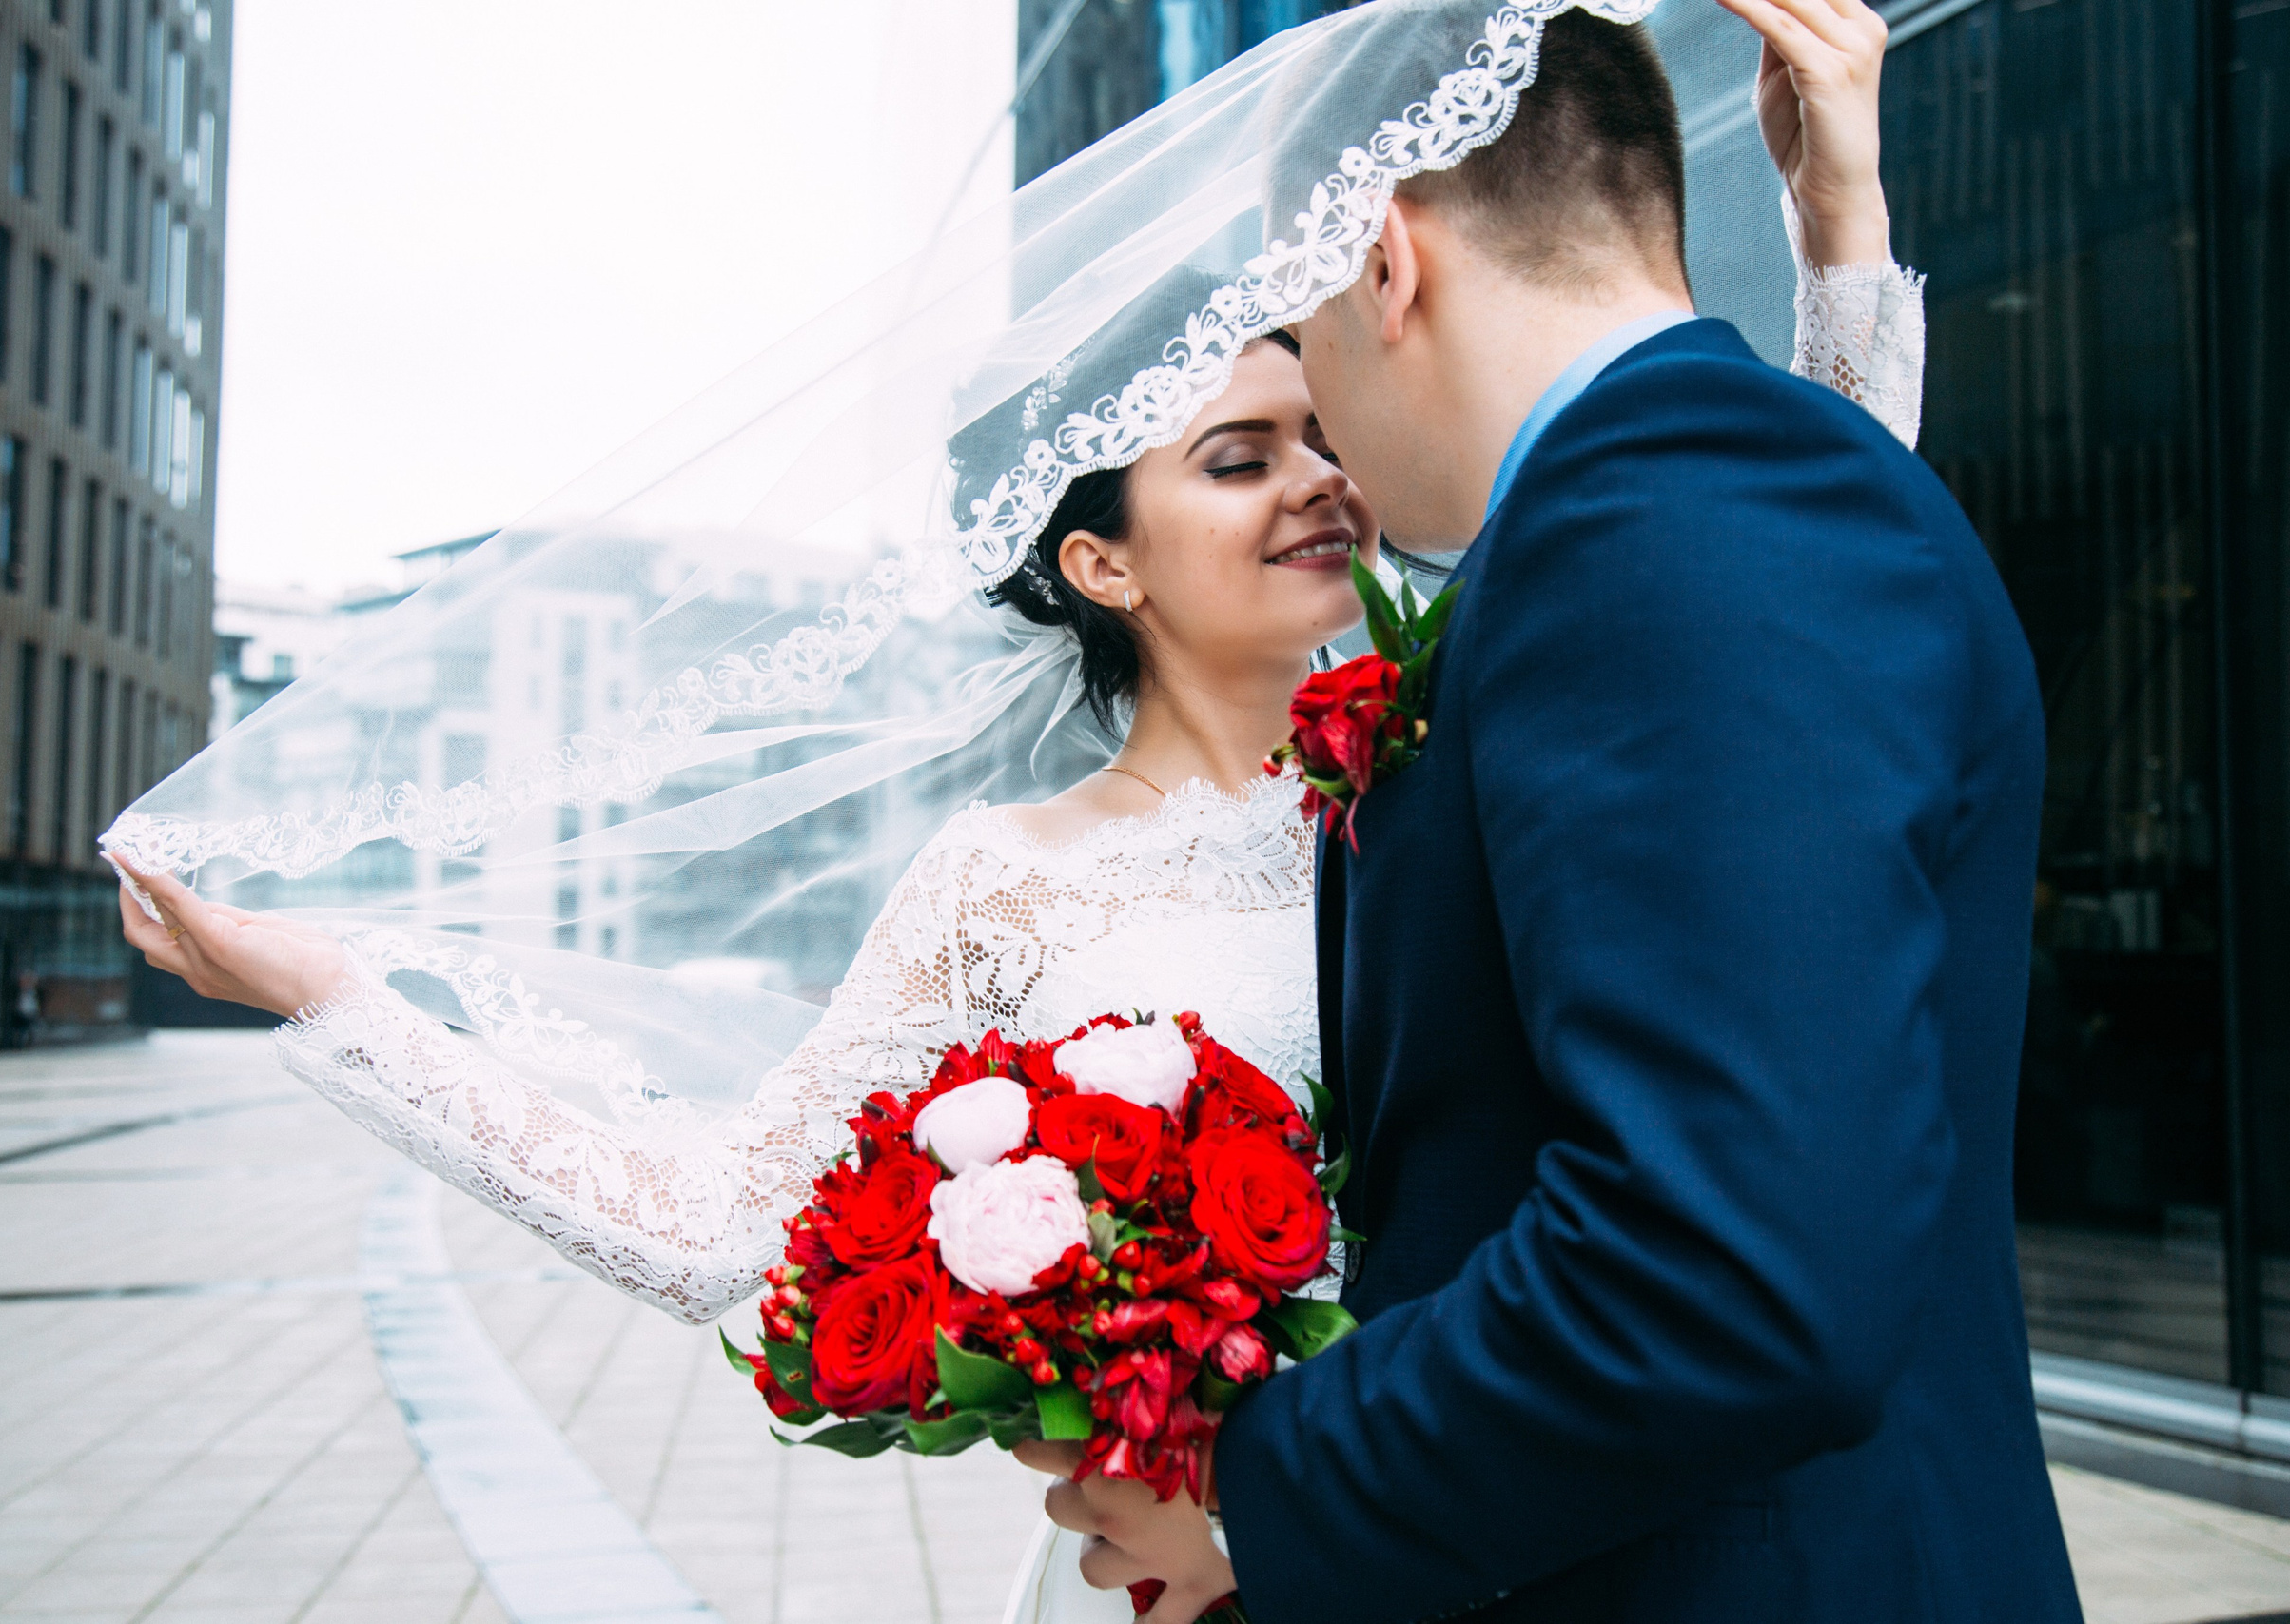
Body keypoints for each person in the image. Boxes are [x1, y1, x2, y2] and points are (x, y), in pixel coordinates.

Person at [108, 2, 1951, 1620]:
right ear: (1100, 558)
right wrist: (335, 1007)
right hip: (1195, 1540)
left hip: (1491, 1513)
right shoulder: (1005, 879)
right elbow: (722, 1221)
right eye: (1237, 459)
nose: (1318, 479)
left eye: (1317, 430)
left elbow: (1777, 682)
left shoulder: (1445, 720)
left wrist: (1839, 251)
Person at [1014, 6, 2083, 1624]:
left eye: (1301, 326)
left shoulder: (1673, 524)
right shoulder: (1695, 502)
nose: (1324, 436)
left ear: (1383, 259)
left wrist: (1257, 1491)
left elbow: (1730, 1270)